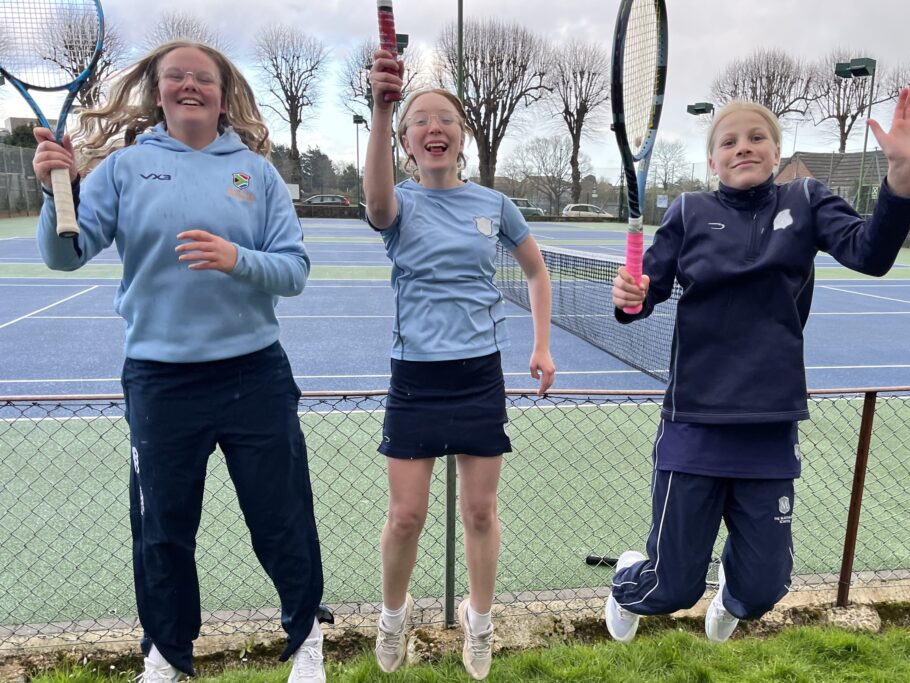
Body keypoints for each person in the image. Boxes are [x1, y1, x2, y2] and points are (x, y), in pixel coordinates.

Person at [32, 41, 326, 683]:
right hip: (161, 382)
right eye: (175, 77)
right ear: (157, 92)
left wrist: (237, 259)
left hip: (256, 375)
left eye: (203, 78)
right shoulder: (122, 169)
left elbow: (296, 270)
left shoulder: (256, 173)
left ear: (223, 94)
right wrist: (59, 190)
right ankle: (166, 655)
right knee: (163, 530)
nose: (189, 85)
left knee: (282, 519)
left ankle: (306, 639)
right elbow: (65, 256)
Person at [607, 90, 910, 644]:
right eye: (728, 141)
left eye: (756, 138)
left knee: (765, 588)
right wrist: (630, 293)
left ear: (776, 152)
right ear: (712, 161)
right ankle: (628, 582)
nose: (743, 147)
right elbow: (638, 302)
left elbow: (871, 254)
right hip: (694, 423)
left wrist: (900, 181)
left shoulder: (809, 199)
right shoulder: (687, 211)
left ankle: (732, 597)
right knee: (670, 590)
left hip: (770, 426)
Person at [364, 50, 556, 681]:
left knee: (480, 513)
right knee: (406, 517)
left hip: (478, 376)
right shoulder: (398, 203)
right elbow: (374, 199)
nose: (434, 127)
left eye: (446, 118)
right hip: (415, 377)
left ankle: (480, 624)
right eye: (420, 121)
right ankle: (393, 617)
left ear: (462, 135)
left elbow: (535, 269)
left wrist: (541, 344)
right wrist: (381, 105)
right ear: (407, 140)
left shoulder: (495, 205)